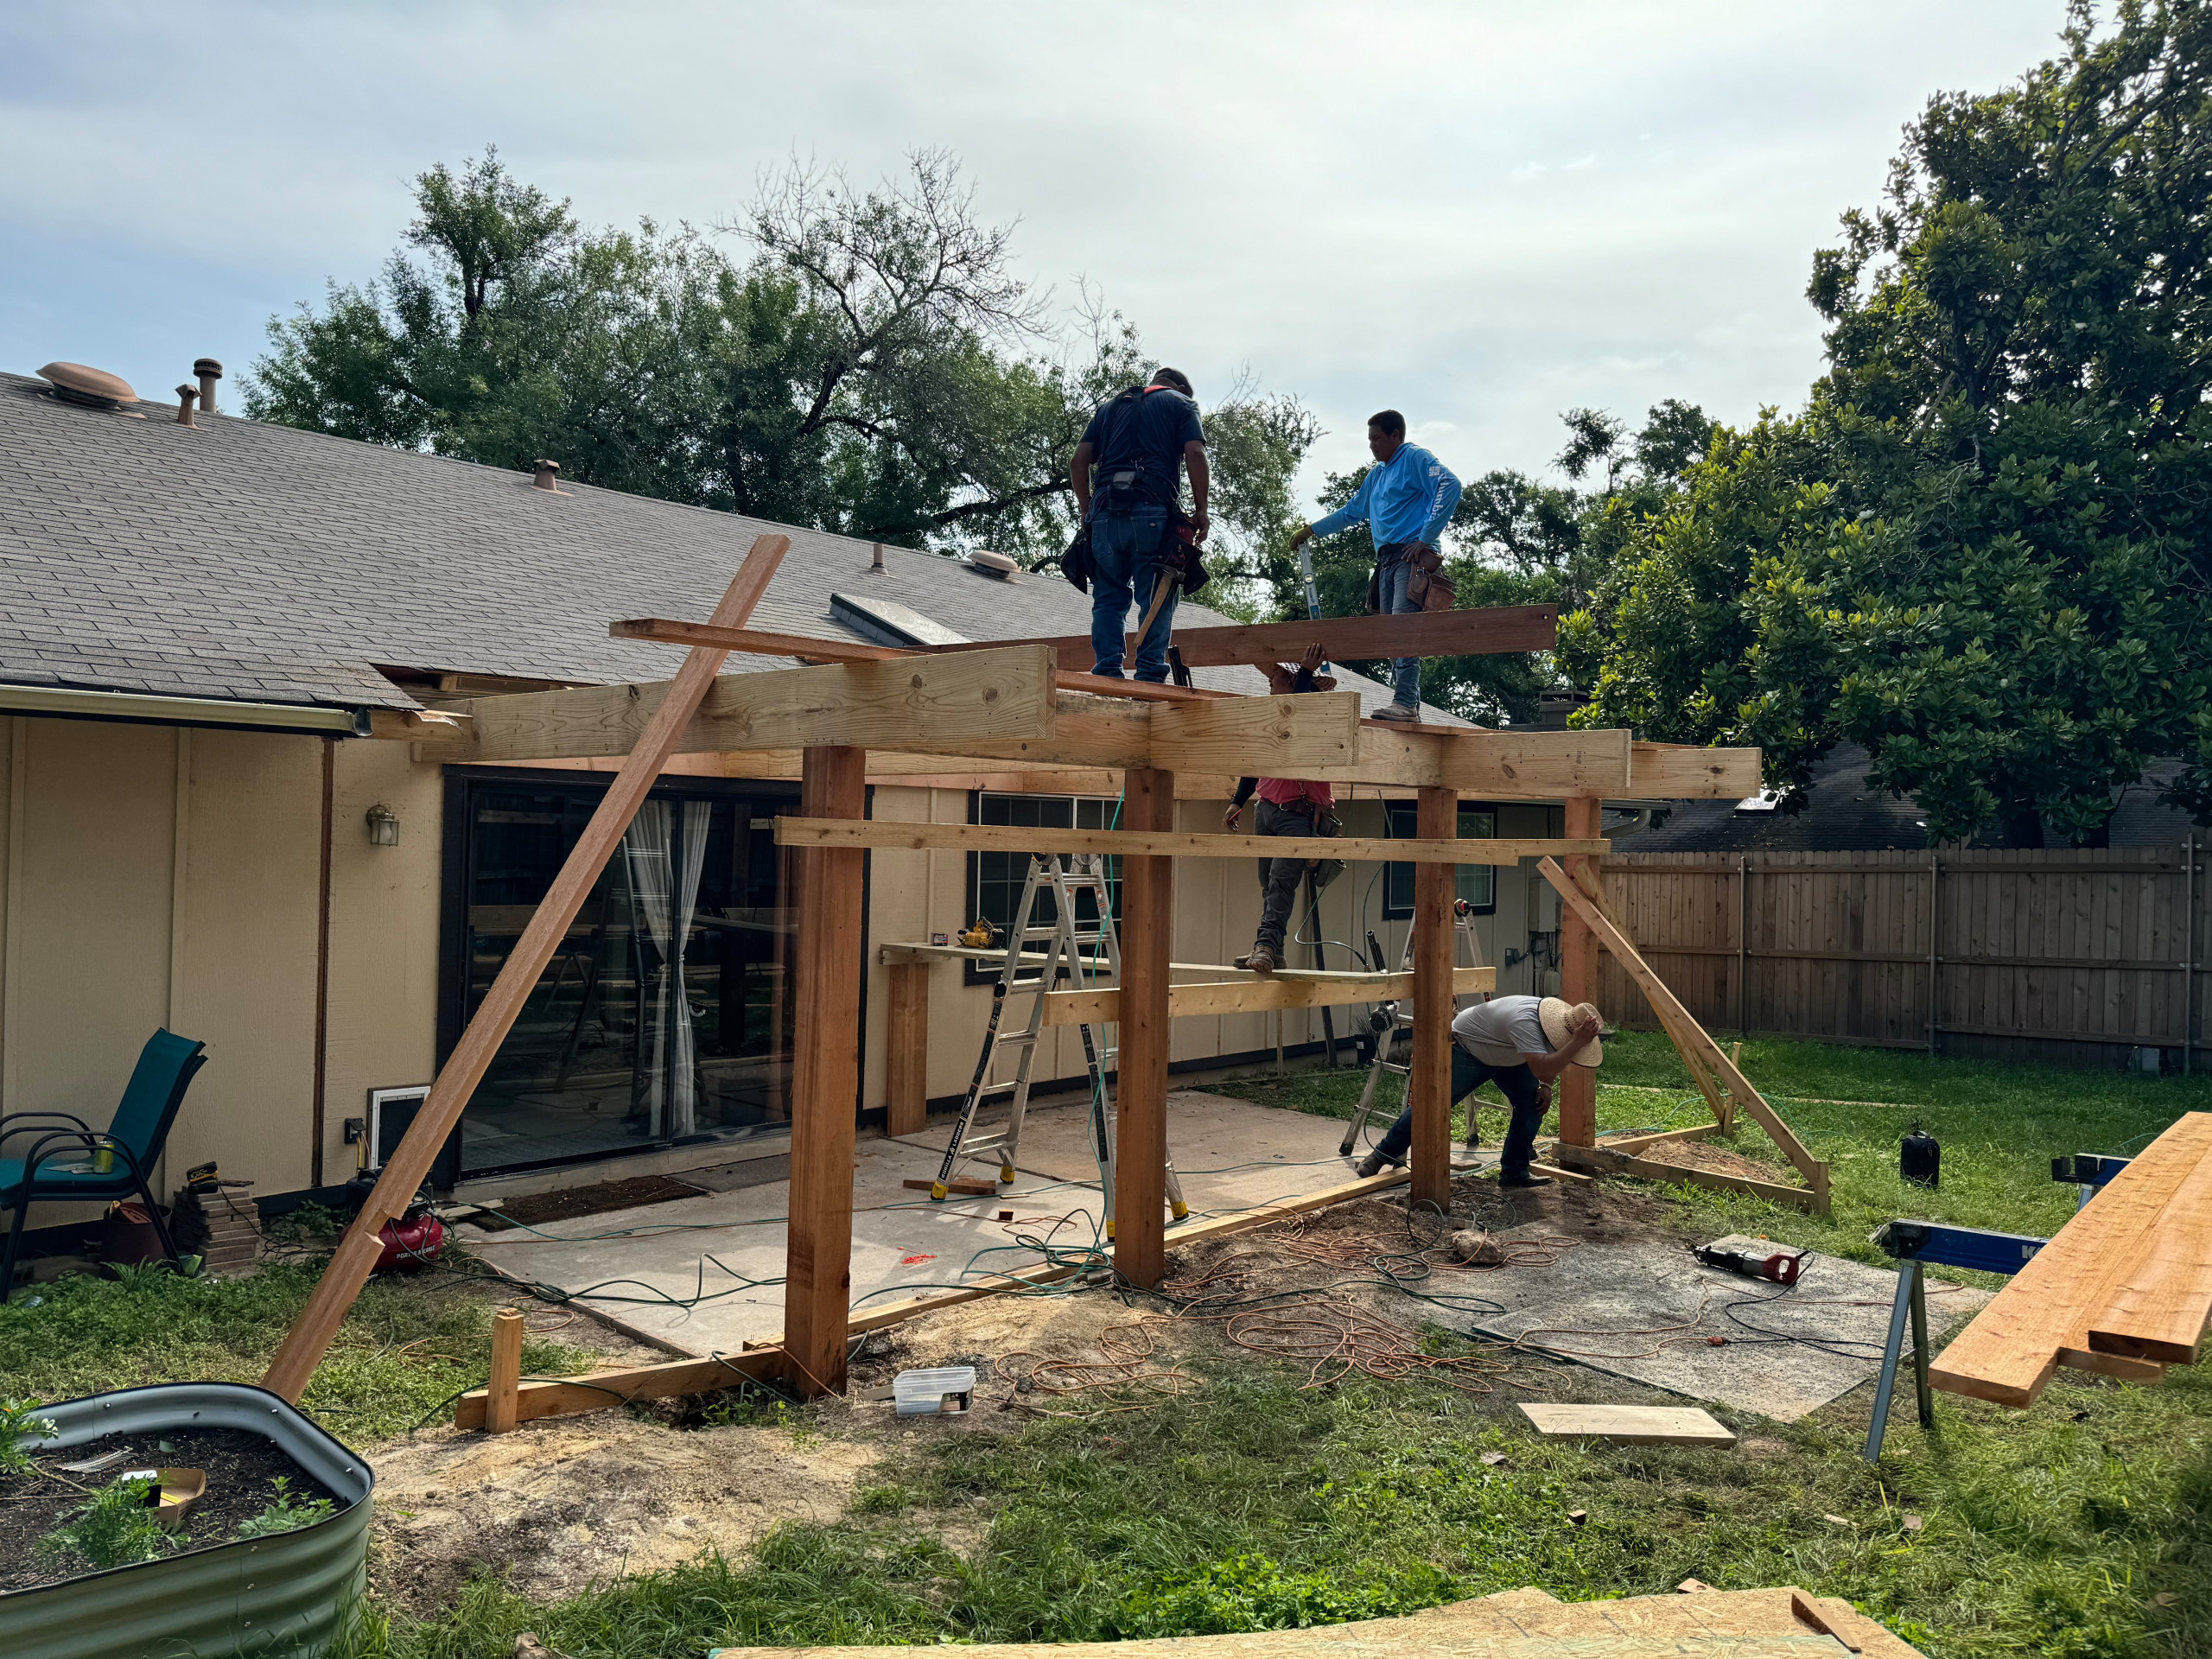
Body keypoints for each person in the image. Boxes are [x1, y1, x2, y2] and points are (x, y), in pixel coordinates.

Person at [1287, 410, 1460, 721]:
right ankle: (1408, 705)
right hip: (1386, 561)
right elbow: (1352, 511)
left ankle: (1406, 703)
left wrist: (1426, 537)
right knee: (1390, 634)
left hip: (1411, 557)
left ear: (1396, 435)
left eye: (1377, 439)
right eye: (1369, 440)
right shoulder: (1378, 474)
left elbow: (1450, 485)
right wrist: (1312, 530)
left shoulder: (1414, 458)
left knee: (1402, 630)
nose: (1372, 446)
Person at [1355, 995, 1604, 1188]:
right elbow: (1541, 1066)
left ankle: (1514, 1173)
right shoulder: (1527, 1023)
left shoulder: (1557, 1023)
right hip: (1469, 1047)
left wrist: (1546, 1086)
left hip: (1509, 1053)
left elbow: (1547, 1060)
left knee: (1533, 1104)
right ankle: (1379, 1157)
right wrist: (1575, 1044)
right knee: (1431, 1105)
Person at [1069, 367, 1209, 682]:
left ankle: (1106, 674)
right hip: (1151, 512)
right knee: (1157, 593)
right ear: (1182, 388)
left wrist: (1086, 508)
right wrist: (1202, 510)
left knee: (1108, 597)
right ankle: (1149, 678)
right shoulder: (1182, 404)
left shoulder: (1108, 408)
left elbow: (1078, 461)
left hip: (1105, 516)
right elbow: (1195, 452)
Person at [1224, 644, 1343, 975]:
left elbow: (1299, 706)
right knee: (1270, 883)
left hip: (1299, 814)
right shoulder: (1273, 719)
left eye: (1275, 680)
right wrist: (1237, 801)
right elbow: (1256, 763)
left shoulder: (1313, 718)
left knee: (1280, 882)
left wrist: (1305, 672)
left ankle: (1264, 946)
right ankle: (1274, 951)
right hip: (1267, 809)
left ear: (1292, 684)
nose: (1269, 685)